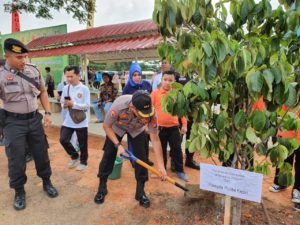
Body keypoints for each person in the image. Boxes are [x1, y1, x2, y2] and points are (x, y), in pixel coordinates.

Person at [0, 38, 58, 210]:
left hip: (34, 120)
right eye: (19, 57)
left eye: (25, 56)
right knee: (16, 158)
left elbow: (43, 91)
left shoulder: (33, 71)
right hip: (13, 123)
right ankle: (19, 191)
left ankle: (47, 182)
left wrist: (47, 112)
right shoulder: (1, 76)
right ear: (7, 56)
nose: (24, 61)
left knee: (41, 153)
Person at [94, 90, 167, 208]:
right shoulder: (119, 106)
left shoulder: (151, 113)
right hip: (117, 127)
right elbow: (106, 126)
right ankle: (102, 187)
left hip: (137, 129)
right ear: (132, 107)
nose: (147, 116)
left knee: (142, 159)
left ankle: (140, 192)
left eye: (147, 113)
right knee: (108, 155)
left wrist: (161, 166)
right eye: (143, 114)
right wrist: (118, 146)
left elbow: (155, 139)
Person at [151, 70, 189, 182]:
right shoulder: (155, 94)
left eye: (170, 80)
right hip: (160, 129)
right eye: (165, 80)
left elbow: (182, 112)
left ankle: (180, 171)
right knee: (161, 150)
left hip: (174, 128)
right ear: (161, 80)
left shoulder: (177, 94)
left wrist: (185, 125)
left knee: (176, 150)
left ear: (175, 82)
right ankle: (162, 171)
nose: (167, 82)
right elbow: (149, 110)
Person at [60, 66, 90, 171]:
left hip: (81, 120)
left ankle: (84, 162)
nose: (69, 79)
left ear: (78, 75)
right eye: (67, 76)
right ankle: (74, 156)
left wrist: (74, 104)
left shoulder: (84, 89)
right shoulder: (66, 88)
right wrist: (64, 104)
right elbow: (62, 102)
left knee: (82, 143)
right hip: (69, 119)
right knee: (63, 139)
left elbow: (86, 105)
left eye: (71, 76)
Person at [122, 62, 153, 165]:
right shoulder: (127, 88)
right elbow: (124, 104)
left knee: (145, 140)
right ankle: (133, 160)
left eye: (139, 74)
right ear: (131, 75)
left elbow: (151, 100)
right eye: (134, 75)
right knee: (133, 140)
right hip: (133, 119)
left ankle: (145, 159)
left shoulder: (146, 84)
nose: (137, 77)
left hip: (145, 118)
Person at [175, 73, 200, 170]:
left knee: (191, 136)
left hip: (192, 111)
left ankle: (189, 160)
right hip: (180, 111)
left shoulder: (196, 73)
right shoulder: (177, 73)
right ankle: (175, 161)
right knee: (178, 138)